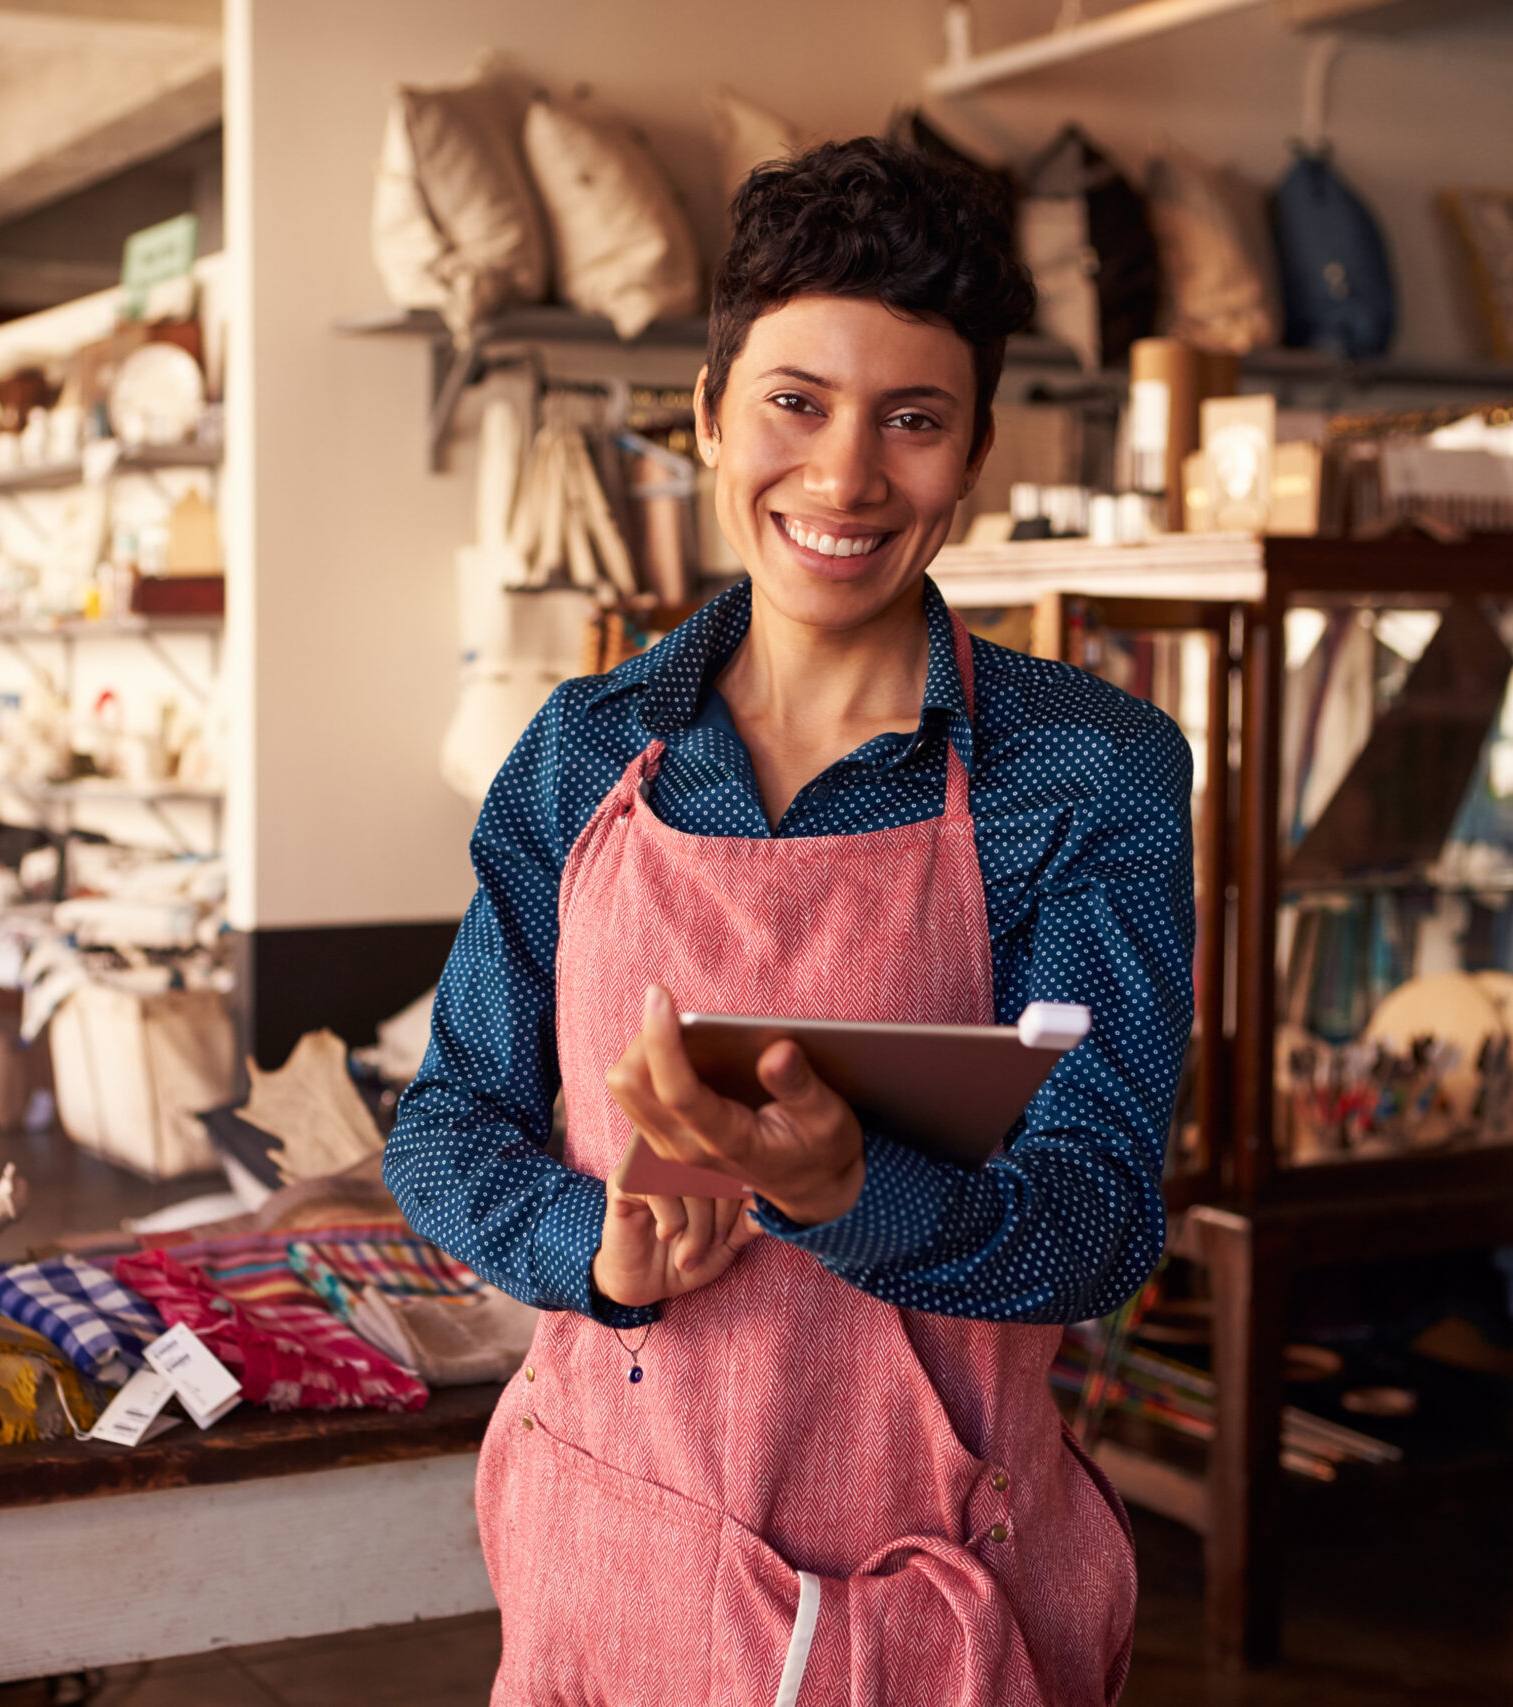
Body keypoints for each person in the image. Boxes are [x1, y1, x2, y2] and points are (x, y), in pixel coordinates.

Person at [383, 136, 1194, 1706]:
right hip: (612, 1553)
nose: (844, 478)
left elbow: (1100, 1222)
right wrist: (595, 1250)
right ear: (704, 415)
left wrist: (849, 1193)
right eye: (794, 402)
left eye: (911, 419)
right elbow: (448, 1124)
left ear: (972, 456)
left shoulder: (1091, 775)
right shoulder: (580, 752)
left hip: (933, 1586)